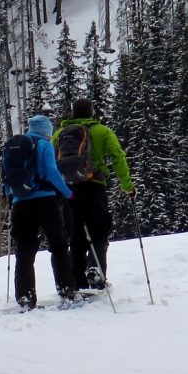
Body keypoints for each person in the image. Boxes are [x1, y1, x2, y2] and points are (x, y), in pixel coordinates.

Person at [53, 97, 134, 289]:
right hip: (94, 186)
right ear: (92, 112)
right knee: (99, 231)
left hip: (68, 190)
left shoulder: (58, 134)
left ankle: (77, 281)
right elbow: (117, 156)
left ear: (73, 113)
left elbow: (51, 163)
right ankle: (95, 270)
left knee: (76, 234)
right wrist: (127, 185)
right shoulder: (102, 131)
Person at [5, 114, 77, 310]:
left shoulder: (14, 146)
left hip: (20, 204)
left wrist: (13, 198)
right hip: (46, 202)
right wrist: (67, 192)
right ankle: (67, 290)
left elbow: (7, 179)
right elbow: (52, 172)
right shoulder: (44, 145)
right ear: (46, 130)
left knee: (24, 250)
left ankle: (25, 298)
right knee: (59, 245)